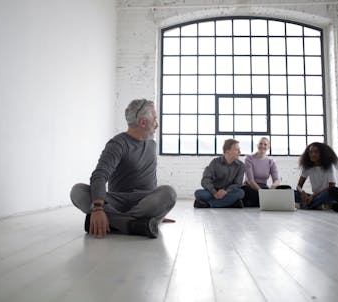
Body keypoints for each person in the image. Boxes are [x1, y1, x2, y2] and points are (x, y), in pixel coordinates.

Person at [70, 99, 177, 239]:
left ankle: (115, 222)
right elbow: (100, 175)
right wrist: (97, 208)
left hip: (142, 201)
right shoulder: (117, 144)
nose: (157, 124)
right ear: (143, 123)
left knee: (169, 193)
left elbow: (152, 182)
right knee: (77, 191)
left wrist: (159, 211)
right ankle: (136, 224)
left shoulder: (152, 145)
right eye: (155, 120)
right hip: (116, 202)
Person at [193, 139, 245, 208]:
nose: (239, 152)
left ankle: (208, 204)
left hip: (228, 192)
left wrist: (225, 191)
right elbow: (205, 180)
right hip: (212, 192)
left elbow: (238, 184)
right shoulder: (215, 162)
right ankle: (229, 203)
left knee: (240, 193)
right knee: (198, 193)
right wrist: (214, 192)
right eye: (237, 150)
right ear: (227, 151)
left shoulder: (241, 165)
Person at [295, 142, 338, 210]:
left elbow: (331, 187)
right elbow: (298, 186)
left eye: (316, 152)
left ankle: (302, 206)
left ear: (322, 154)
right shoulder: (308, 167)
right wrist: (302, 192)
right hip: (315, 197)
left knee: (328, 194)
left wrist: (312, 196)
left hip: (324, 196)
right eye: (311, 152)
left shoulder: (329, 166)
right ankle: (317, 206)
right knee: (292, 193)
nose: (313, 154)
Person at [241, 137, 282, 207]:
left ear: (268, 147)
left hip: (263, 187)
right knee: (248, 192)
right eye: (261, 143)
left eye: (265, 144)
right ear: (257, 145)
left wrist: (273, 185)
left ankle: (260, 202)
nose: (263, 146)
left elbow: (277, 180)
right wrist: (262, 193)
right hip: (250, 187)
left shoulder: (270, 162)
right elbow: (250, 180)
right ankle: (265, 202)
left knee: (282, 190)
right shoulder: (249, 159)